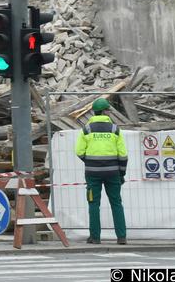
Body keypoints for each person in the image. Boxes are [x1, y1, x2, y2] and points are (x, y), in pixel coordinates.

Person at [75, 97, 128, 244]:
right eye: (108, 111)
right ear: (105, 112)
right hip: (113, 173)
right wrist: (121, 173)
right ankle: (121, 237)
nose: (109, 113)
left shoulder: (86, 130)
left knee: (93, 204)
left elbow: (79, 151)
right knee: (116, 203)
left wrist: (90, 162)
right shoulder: (115, 129)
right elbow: (123, 155)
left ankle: (95, 237)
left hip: (92, 174)